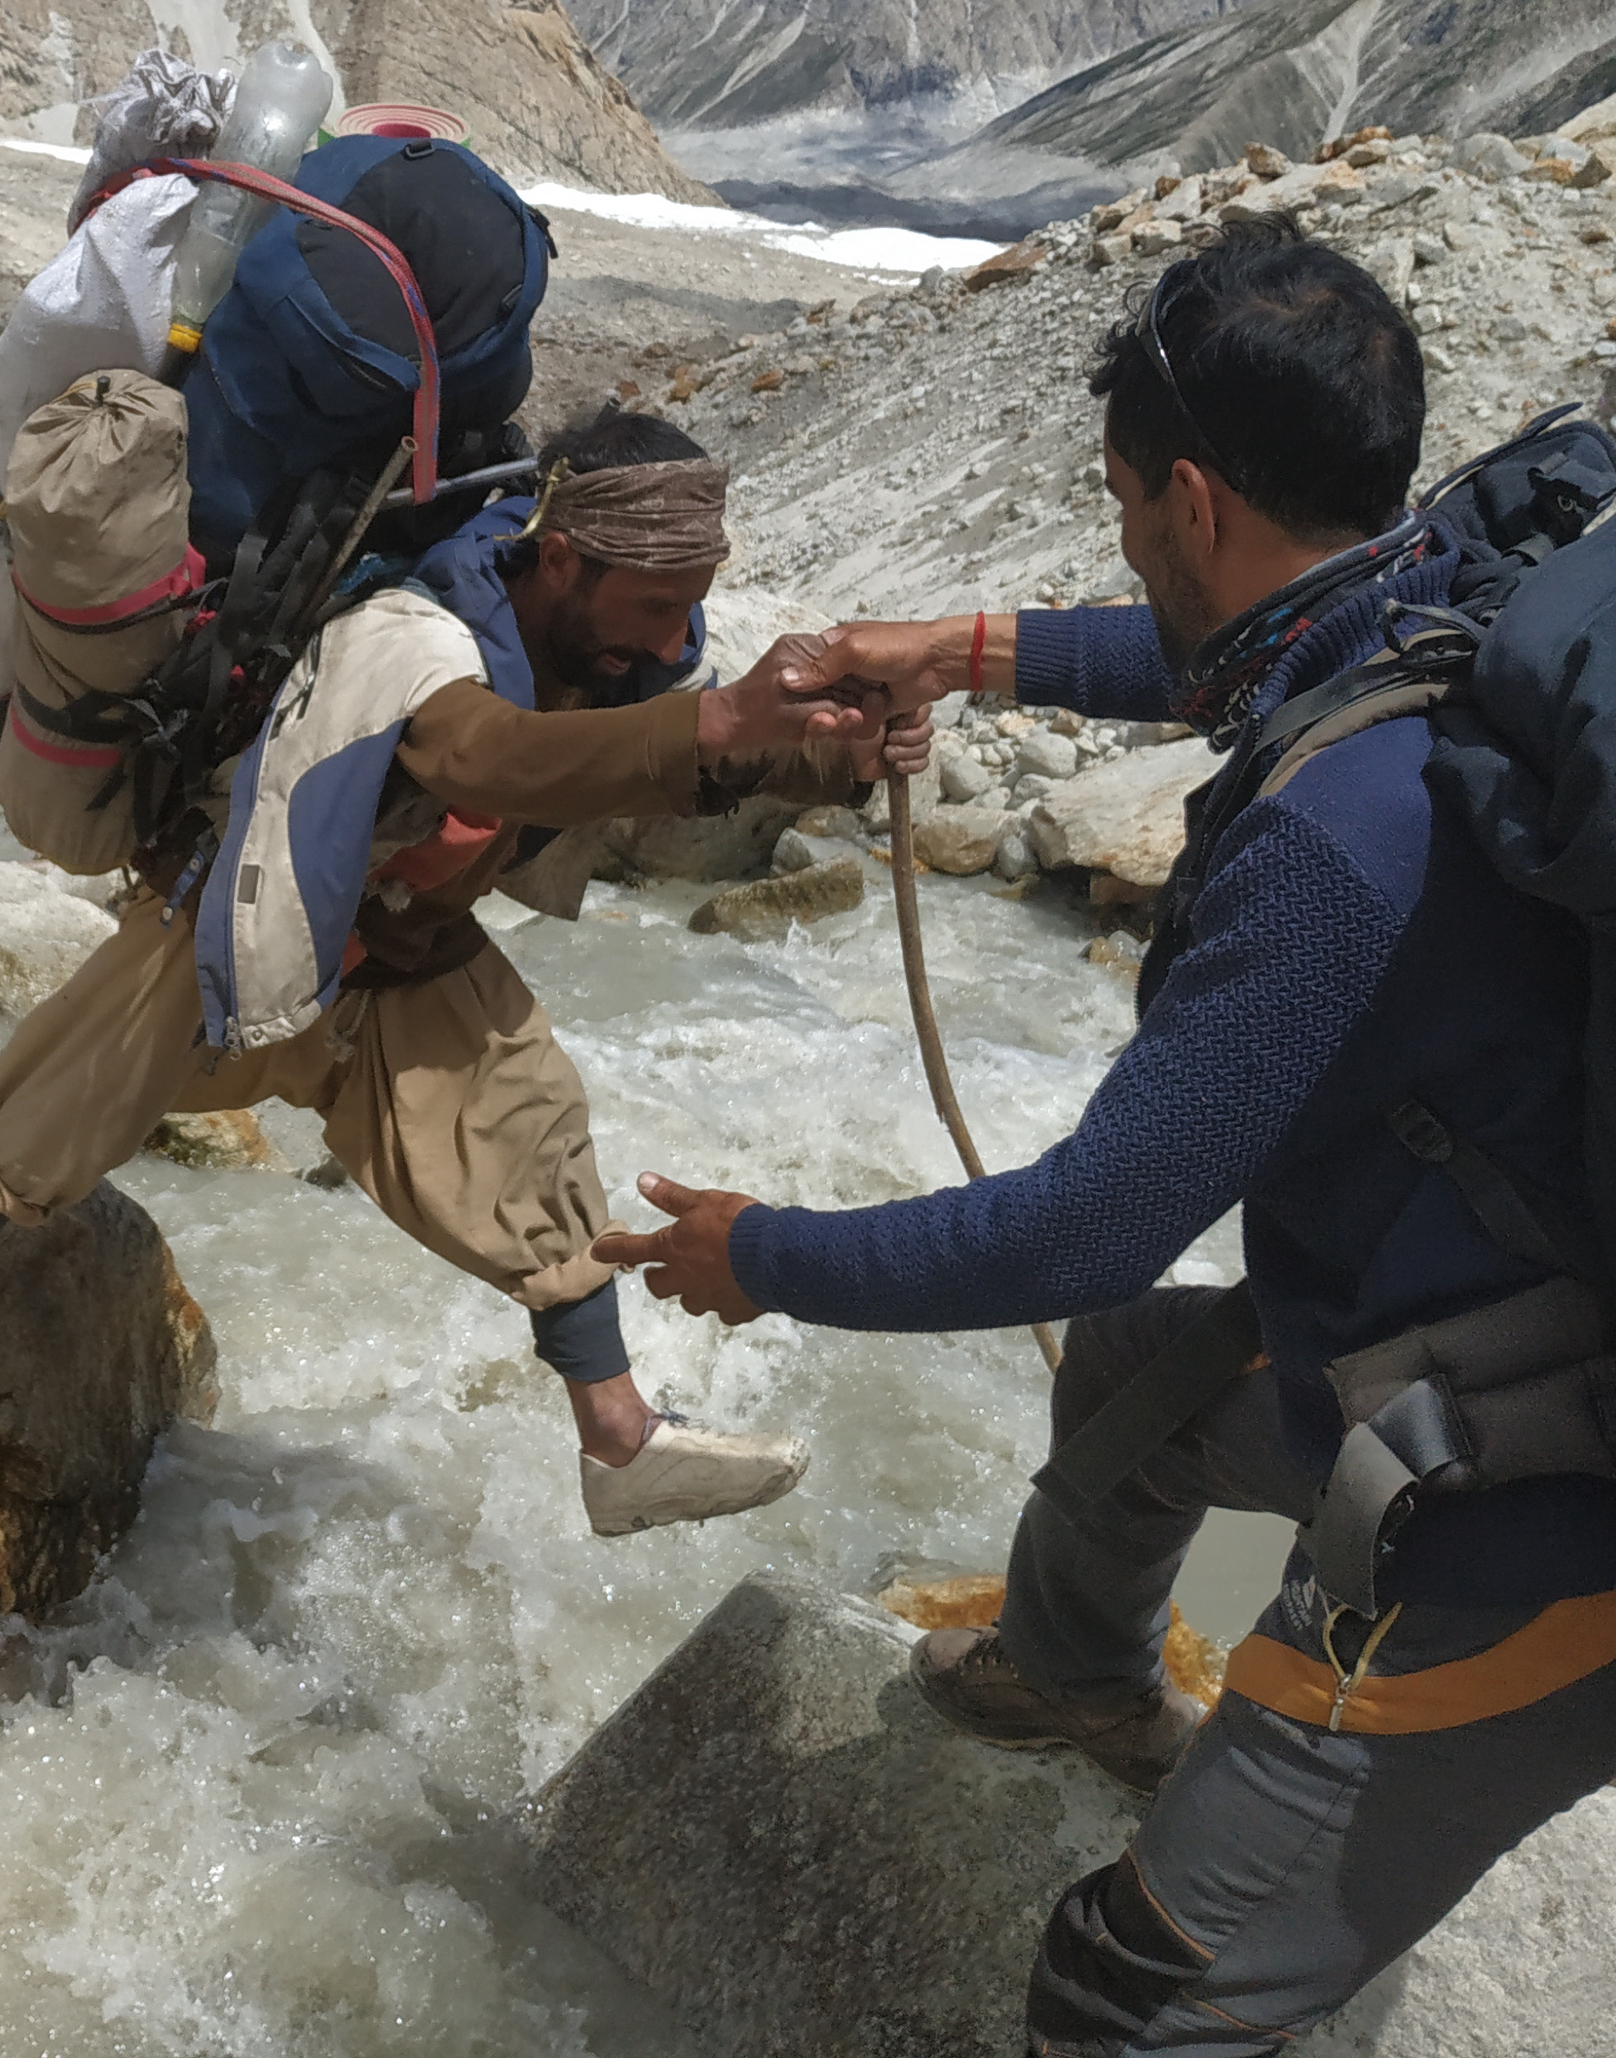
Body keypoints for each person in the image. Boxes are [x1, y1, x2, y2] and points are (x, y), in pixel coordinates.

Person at [596, 221, 1616, 2053]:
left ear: (1196, 501)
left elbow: (1076, 1235)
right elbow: (1233, 664)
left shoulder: (1329, 852)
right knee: (1139, 1391)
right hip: (1483, 1321)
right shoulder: (1455, 581)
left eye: (1128, 500)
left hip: (1534, 1513)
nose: (1127, 533)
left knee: (1125, 2000)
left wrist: (750, 1255)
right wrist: (962, 650)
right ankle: (1077, 1681)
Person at [0, 405, 930, 1536]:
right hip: (246, 924)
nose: (673, 635)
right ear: (561, 557)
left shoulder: (610, 657)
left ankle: (619, 1439)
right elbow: (495, 760)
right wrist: (716, 717)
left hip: (401, 953)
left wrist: (841, 755)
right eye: (654, 606)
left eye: (686, 607)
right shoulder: (406, 635)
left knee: (528, 1123)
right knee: (61, 1120)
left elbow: (648, 776)